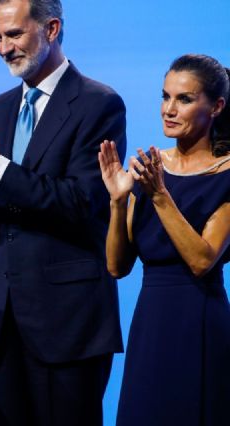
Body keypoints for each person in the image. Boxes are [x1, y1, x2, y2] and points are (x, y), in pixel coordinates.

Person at [0, 0, 126, 424]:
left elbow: (81, 202)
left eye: (15, 34)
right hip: (3, 325)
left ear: (52, 29)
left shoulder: (99, 104)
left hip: (69, 324)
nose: (4, 48)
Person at [99, 54, 230, 426]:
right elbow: (116, 266)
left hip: (199, 321)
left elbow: (202, 260)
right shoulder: (150, 167)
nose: (169, 110)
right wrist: (118, 199)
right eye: (165, 96)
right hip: (151, 322)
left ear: (216, 106)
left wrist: (159, 195)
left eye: (184, 99)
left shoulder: (225, 175)